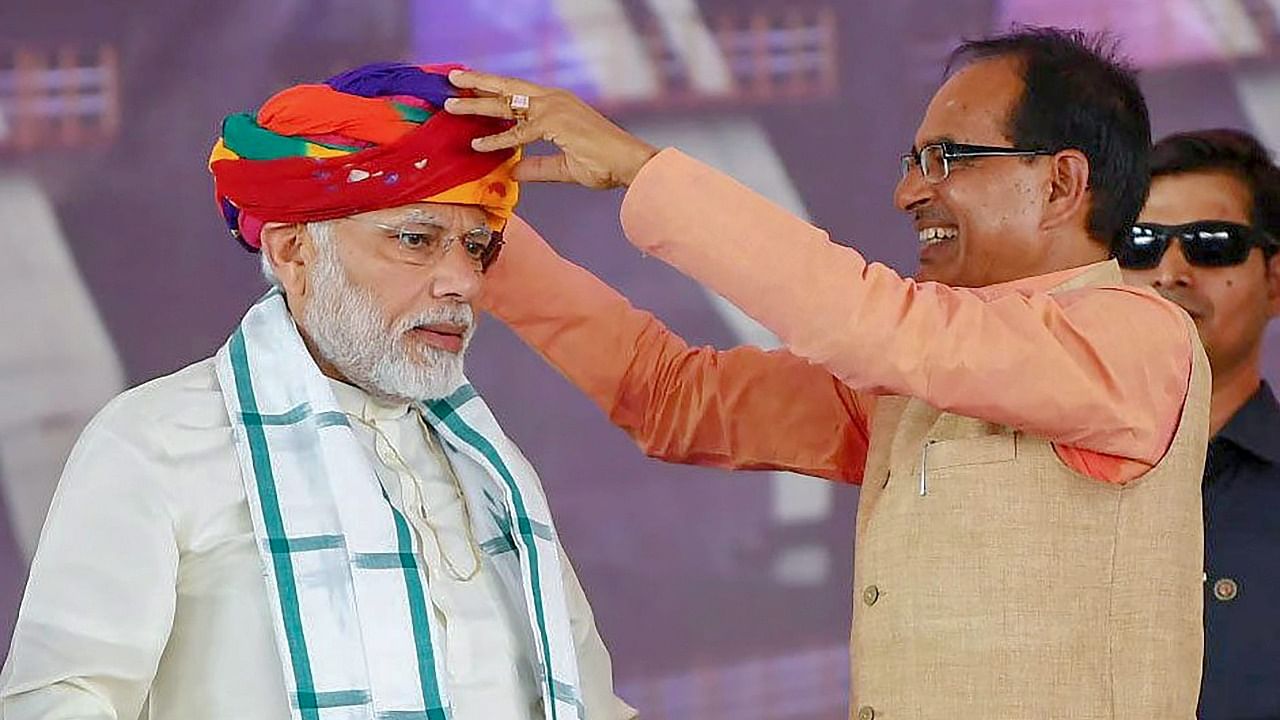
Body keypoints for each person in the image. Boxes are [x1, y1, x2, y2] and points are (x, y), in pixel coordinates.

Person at [443, 27, 1209, 719]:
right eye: (913, 162)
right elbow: (673, 396)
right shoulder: (919, 368)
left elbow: (874, 325)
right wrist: (478, 233)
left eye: (945, 159)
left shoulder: (1135, 336)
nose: (909, 192)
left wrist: (643, 171)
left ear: (1061, 184)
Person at [0, 62, 635, 720]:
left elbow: (594, 704)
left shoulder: (491, 469)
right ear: (294, 253)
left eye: (477, 247)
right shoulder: (153, 444)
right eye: (416, 240)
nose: (464, 283)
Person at [1118, 128, 1280, 720]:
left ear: (1275, 280)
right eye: (1141, 243)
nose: (1170, 271)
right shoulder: (1043, 482)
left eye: (1212, 244)